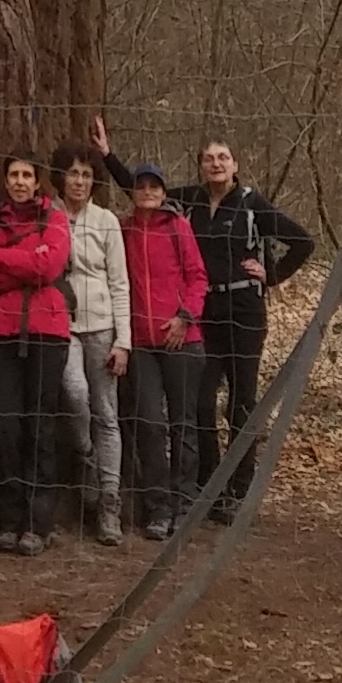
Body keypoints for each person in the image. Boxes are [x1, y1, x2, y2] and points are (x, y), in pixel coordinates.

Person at [91, 113, 313, 513]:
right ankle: (210, 484)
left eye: (223, 157)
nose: (216, 164)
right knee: (201, 403)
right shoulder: (189, 200)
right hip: (203, 313)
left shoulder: (250, 204)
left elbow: (302, 241)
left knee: (241, 402)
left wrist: (273, 274)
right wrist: (108, 156)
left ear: (235, 165)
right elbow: (141, 194)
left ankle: (237, 489)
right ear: (200, 165)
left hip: (244, 311)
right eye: (209, 158)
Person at [0, 150, 73, 551]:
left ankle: (38, 521)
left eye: (27, 175)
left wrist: (0, 260)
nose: (20, 181)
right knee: (5, 426)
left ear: (37, 180)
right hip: (1, 335)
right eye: (13, 174)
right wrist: (24, 261)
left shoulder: (55, 219)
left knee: (40, 426)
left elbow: (49, 268)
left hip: (47, 333)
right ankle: (9, 518)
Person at [119, 160, 209, 538]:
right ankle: (157, 506)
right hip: (141, 343)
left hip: (182, 339)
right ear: (134, 191)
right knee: (150, 426)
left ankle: (185, 503)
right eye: (142, 186)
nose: (149, 192)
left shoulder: (178, 227)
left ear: (164, 191)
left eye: (155, 186)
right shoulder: (122, 230)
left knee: (183, 424)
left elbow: (198, 277)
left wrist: (184, 316)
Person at [51, 145, 129, 543]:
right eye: (72, 173)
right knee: (74, 394)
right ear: (61, 177)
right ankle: (86, 460)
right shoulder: (49, 215)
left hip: (102, 326)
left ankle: (109, 502)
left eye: (85, 174)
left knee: (106, 412)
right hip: (63, 324)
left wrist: (124, 341)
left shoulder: (106, 221)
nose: (79, 181)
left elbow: (120, 283)